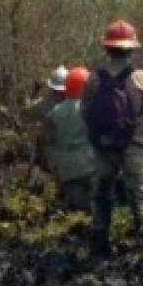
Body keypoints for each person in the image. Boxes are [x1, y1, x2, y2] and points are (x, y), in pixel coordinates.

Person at [81, 19, 143, 256]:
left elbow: (84, 112)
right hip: (133, 145)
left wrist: (98, 137)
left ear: (107, 47)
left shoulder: (94, 79)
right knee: (141, 191)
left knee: (101, 192)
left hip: (103, 146)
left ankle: (99, 241)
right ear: (131, 48)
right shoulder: (142, 78)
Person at [42, 67, 99, 211]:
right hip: (92, 164)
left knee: (77, 210)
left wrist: (54, 164)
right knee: (97, 209)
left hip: (68, 170)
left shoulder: (54, 113)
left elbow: (48, 141)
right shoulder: (90, 107)